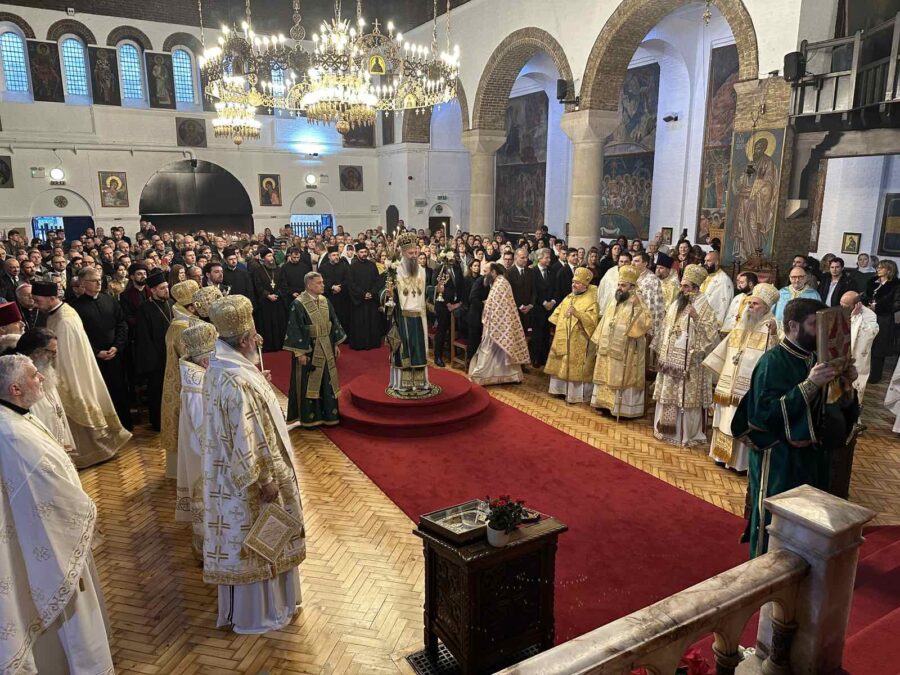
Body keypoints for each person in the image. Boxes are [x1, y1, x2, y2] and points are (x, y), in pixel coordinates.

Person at [0, 354, 115, 675]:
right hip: (54, 542)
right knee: (72, 619)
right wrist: (85, 514)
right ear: (15, 388)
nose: (42, 379)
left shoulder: (16, 415)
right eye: (34, 376)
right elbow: (44, 497)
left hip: (51, 534)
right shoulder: (12, 433)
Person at [202, 295, 306, 633]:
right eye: (254, 335)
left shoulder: (220, 366)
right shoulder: (237, 381)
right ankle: (265, 611)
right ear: (245, 339)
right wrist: (265, 481)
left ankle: (262, 607)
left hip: (224, 478)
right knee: (262, 542)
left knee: (249, 543)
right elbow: (246, 439)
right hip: (253, 480)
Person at [732, 298, 859, 557]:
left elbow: (830, 407)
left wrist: (846, 383)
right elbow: (762, 415)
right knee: (774, 518)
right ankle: (762, 570)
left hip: (811, 456)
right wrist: (809, 385)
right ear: (793, 326)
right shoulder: (773, 362)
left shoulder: (815, 357)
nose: (820, 333)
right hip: (779, 456)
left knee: (805, 519)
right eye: (814, 325)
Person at [32, 280, 131, 467]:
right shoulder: (60, 312)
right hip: (71, 369)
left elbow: (65, 357)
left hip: (71, 374)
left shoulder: (64, 320)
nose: (36, 304)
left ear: (52, 298)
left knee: (78, 410)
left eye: (38, 300)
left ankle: (89, 453)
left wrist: (53, 374)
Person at [703, 283, 780, 472]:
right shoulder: (742, 323)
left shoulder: (773, 327)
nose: (750, 307)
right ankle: (721, 457)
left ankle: (739, 463)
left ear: (766, 308)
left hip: (747, 390)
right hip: (729, 383)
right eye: (749, 303)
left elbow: (777, 356)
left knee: (740, 420)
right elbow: (726, 350)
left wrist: (774, 335)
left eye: (755, 304)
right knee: (724, 418)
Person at [653, 264, 720, 447]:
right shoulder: (676, 303)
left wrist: (696, 317)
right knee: (668, 396)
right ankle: (664, 431)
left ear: (696, 289)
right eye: (681, 285)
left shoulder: (705, 308)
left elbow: (711, 336)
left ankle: (686, 435)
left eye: (686, 287)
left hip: (691, 365)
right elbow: (666, 328)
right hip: (670, 363)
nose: (681, 289)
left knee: (685, 399)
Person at [71, 267, 132, 431]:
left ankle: (124, 425)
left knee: (119, 389)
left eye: (100, 280)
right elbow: (79, 335)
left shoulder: (109, 300)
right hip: (93, 358)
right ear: (83, 283)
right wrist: (97, 351)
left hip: (114, 354)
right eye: (94, 280)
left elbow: (122, 324)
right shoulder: (75, 307)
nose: (99, 283)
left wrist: (116, 347)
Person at [176, 321, 218, 556]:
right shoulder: (196, 385)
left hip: (200, 448)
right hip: (203, 452)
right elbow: (205, 427)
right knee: (206, 497)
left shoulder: (197, 375)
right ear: (205, 361)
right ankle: (208, 548)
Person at [284, 271, 347, 427]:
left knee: (327, 381)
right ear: (309, 285)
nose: (323, 285)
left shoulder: (325, 301)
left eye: (322, 282)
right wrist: (300, 353)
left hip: (327, 346)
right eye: (319, 283)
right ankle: (310, 418)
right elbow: (294, 329)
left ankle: (329, 416)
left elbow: (334, 322)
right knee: (309, 383)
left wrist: (335, 344)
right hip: (309, 349)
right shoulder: (298, 304)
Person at [590, 265, 652, 418]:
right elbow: (606, 319)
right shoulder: (616, 298)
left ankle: (621, 409)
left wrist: (637, 308)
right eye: (619, 284)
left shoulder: (638, 300)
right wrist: (599, 338)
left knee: (619, 376)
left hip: (626, 348)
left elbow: (646, 322)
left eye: (623, 285)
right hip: (608, 345)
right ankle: (604, 405)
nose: (619, 288)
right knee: (605, 374)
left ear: (632, 286)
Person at [382, 234, 434, 395]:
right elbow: (383, 292)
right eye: (410, 253)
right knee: (403, 351)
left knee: (419, 350)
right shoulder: (394, 270)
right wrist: (388, 294)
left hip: (419, 316)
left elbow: (425, 291)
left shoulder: (423, 271)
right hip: (402, 317)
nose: (414, 256)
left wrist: (436, 291)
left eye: (415, 253)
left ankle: (420, 382)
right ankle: (402, 383)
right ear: (403, 253)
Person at [159, 280, 201, 478]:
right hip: (185, 383)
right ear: (190, 306)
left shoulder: (183, 322)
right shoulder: (182, 327)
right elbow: (193, 356)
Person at [15, 327, 76, 452]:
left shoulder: (44, 369)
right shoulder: (18, 378)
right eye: (52, 352)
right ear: (37, 351)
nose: (54, 356)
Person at [468, 263, 530, 385]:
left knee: (492, 350)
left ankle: (484, 376)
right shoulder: (499, 282)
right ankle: (495, 376)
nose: (484, 274)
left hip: (498, 324)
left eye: (486, 271)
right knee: (494, 350)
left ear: (493, 272)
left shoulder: (501, 283)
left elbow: (500, 306)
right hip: (497, 323)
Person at [545, 267, 599, 403]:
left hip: (579, 338)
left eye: (577, 283)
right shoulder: (569, 296)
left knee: (574, 364)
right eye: (573, 282)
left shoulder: (591, 300)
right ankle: (559, 390)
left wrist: (577, 314)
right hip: (563, 335)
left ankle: (574, 394)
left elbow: (593, 322)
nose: (573, 285)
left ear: (585, 285)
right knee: (561, 362)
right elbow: (556, 313)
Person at [135, 270, 175, 432]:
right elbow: (143, 339)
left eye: (166, 287)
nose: (166, 290)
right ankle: (158, 422)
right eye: (162, 288)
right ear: (152, 290)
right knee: (158, 391)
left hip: (174, 355)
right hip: (157, 359)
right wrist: (153, 363)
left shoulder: (172, 304)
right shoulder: (144, 309)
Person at [864, 259, 899, 384]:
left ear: (889, 270)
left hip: (883, 319)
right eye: (878, 267)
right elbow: (865, 296)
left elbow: (897, 304)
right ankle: (864, 372)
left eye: (881, 267)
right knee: (866, 345)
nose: (878, 269)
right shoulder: (872, 282)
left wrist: (877, 308)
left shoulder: (895, 285)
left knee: (878, 348)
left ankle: (875, 375)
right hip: (868, 317)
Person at [840, 291, 879, 403]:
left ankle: (853, 414)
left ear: (857, 305)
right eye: (841, 304)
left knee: (855, 388)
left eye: (845, 306)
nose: (842, 307)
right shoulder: (841, 310)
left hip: (857, 357)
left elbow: (869, 334)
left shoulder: (870, 315)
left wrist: (855, 317)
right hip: (841, 355)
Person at [348, 245, 384, 350]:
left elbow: (377, 281)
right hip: (359, 301)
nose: (364, 254)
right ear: (357, 253)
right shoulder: (352, 267)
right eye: (361, 252)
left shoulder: (372, 265)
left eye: (365, 252)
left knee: (372, 321)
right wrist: (363, 294)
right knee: (360, 323)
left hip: (371, 300)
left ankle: (373, 343)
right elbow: (352, 284)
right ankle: (360, 344)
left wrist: (371, 293)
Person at [432, 251, 464, 367]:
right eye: (450, 258)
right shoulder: (439, 269)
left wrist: (459, 302)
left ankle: (451, 353)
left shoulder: (457, 268)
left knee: (454, 330)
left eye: (453, 258)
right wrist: (447, 303)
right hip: (443, 305)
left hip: (456, 304)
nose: (452, 260)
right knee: (442, 330)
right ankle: (438, 356)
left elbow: (461, 285)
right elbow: (438, 288)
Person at [252, 247, 288, 352]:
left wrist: (277, 295)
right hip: (265, 303)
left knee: (279, 324)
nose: (271, 258)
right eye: (268, 256)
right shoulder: (258, 271)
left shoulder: (279, 270)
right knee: (267, 325)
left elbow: (284, 285)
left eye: (272, 255)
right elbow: (257, 286)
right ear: (263, 258)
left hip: (278, 302)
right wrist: (268, 295)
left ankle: (280, 345)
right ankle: (268, 346)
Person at [529, 247, 557, 367]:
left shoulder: (551, 271)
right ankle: (536, 358)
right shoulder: (533, 272)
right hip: (538, 309)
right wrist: (544, 303)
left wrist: (553, 301)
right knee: (537, 335)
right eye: (546, 257)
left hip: (550, 309)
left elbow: (556, 288)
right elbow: (534, 290)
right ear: (539, 258)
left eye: (549, 257)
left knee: (546, 335)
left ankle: (545, 358)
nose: (549, 260)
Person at [631, 252, 665, 347]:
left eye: (637, 261)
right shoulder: (631, 276)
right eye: (632, 261)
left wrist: (647, 324)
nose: (633, 264)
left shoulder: (652, 280)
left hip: (643, 320)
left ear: (645, 263)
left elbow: (652, 305)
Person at [318, 246, 351, 337]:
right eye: (333, 255)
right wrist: (332, 287)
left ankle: (344, 336)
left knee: (343, 317)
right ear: (329, 256)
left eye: (337, 255)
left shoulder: (344, 266)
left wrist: (340, 288)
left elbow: (348, 279)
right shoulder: (323, 268)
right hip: (329, 296)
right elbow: (321, 280)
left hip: (343, 297)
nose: (336, 257)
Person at [507, 247, 535, 346]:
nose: (525, 260)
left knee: (528, 336)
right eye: (522, 258)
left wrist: (531, 305)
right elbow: (510, 294)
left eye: (526, 257)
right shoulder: (509, 273)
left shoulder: (531, 272)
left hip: (529, 310)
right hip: (516, 311)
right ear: (515, 258)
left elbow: (534, 290)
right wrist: (520, 306)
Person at [699, 250, 734, 325]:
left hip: (710, 321)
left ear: (717, 262)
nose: (705, 263)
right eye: (704, 261)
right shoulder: (706, 275)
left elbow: (721, 305)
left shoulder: (724, 281)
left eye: (708, 261)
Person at [596, 250, 632, 317]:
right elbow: (602, 288)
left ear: (630, 262)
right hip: (609, 307)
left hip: (626, 308)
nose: (623, 263)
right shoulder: (610, 271)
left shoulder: (633, 274)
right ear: (618, 262)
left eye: (626, 261)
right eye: (621, 261)